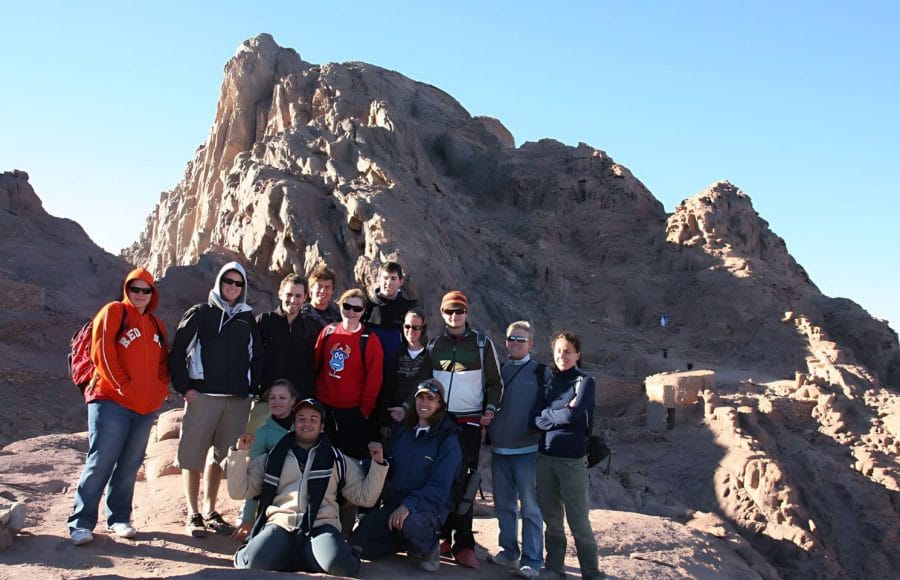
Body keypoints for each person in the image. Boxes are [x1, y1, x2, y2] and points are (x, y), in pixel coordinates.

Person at [227, 398, 389, 575]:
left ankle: (315, 554)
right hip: (281, 524)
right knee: (250, 563)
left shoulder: (338, 459)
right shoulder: (273, 457)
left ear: (321, 426)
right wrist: (239, 454)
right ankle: (301, 555)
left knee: (340, 566)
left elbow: (365, 498)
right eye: (301, 418)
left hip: (321, 525)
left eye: (313, 419)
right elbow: (239, 491)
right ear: (294, 423)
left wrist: (378, 464)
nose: (307, 423)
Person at [67, 268, 169, 545]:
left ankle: (119, 518)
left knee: (129, 465)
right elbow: (102, 353)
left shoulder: (156, 324)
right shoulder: (113, 312)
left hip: (145, 408)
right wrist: (123, 385)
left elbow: (162, 362)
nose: (139, 295)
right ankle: (81, 523)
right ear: (126, 289)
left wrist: (159, 389)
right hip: (111, 400)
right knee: (101, 460)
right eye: (134, 289)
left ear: (152, 294)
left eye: (145, 290)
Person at [169, 261, 263, 537]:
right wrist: (185, 388)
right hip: (204, 397)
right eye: (228, 281)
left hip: (236, 400)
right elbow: (177, 354)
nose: (233, 287)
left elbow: (256, 356)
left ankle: (210, 511)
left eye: (238, 283)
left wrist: (252, 389)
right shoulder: (201, 313)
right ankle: (193, 513)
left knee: (220, 458)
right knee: (192, 456)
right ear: (219, 282)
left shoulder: (247, 318)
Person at [350, 379, 463, 572]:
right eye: (420, 398)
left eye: (430, 398)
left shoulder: (448, 440)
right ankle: (405, 542)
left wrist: (409, 505)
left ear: (440, 404)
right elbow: (394, 466)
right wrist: (376, 463)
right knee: (359, 544)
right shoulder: (405, 430)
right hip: (396, 504)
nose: (424, 403)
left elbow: (440, 487)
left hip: (427, 509)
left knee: (412, 523)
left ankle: (429, 548)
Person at [428, 290, 503, 569]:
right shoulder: (435, 346)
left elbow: (496, 384)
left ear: (467, 313)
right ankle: (442, 536)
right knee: (441, 478)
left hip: (469, 423)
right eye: (449, 311)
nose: (454, 316)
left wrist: (491, 409)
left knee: (467, 482)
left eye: (459, 311)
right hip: (441, 422)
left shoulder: (482, 345)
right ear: (442, 313)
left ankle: (465, 544)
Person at [534, 332, 603, 579]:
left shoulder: (585, 381)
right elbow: (536, 418)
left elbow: (574, 416)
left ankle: (591, 572)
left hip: (572, 461)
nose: (562, 356)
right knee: (552, 518)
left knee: (577, 519)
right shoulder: (550, 382)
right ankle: (554, 567)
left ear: (577, 354)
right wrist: (561, 412)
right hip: (545, 457)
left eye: (568, 351)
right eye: (559, 351)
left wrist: (550, 415)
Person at [486, 321, 551, 578]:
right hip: (500, 451)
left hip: (527, 451)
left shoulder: (540, 373)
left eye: (521, 340)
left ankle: (532, 560)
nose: (515, 343)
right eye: (511, 338)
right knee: (503, 505)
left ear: (530, 344)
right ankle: (509, 552)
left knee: (531, 508)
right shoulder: (499, 372)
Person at [313, 288, 384, 460]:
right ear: (340, 306)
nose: (351, 312)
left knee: (348, 459)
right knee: (321, 455)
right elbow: (316, 364)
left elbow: (374, 379)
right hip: (323, 405)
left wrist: (365, 410)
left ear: (363, 311)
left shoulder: (369, 339)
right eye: (347, 306)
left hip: (351, 411)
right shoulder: (329, 331)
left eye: (357, 309)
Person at [247, 274, 317, 432]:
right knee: (255, 447)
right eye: (289, 294)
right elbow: (251, 358)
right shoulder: (264, 321)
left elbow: (311, 366)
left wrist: (309, 399)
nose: (293, 300)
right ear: (280, 293)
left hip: (297, 403)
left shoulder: (310, 327)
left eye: (298, 296)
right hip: (266, 399)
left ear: (305, 297)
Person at [232, 379, 299, 542]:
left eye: (282, 398)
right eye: (272, 398)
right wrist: (248, 519)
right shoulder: (262, 434)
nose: (276, 402)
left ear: (293, 401)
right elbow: (255, 476)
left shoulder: (304, 427)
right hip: (277, 498)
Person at [379, 308, 433, 441]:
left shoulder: (429, 355)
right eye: (407, 326)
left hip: (420, 418)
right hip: (395, 417)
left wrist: (406, 408)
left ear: (423, 329)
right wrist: (384, 422)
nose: (411, 331)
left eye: (416, 327)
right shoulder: (397, 354)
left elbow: (422, 384)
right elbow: (388, 387)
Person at [363, 261, 417, 367]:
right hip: (369, 367)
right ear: (379, 279)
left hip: (396, 370)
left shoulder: (409, 309)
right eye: (385, 278)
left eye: (393, 278)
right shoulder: (367, 306)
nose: (389, 283)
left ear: (401, 281)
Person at [301, 265, 341, 330]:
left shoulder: (336, 319)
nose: (323, 291)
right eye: (319, 286)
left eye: (327, 287)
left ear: (333, 291)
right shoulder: (300, 315)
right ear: (311, 288)